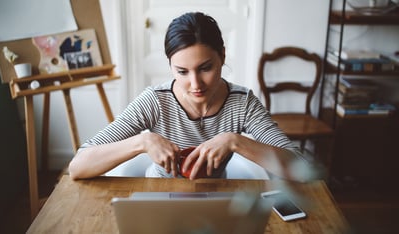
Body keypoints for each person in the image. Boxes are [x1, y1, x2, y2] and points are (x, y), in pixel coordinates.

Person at [69, 12, 315, 181]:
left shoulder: (243, 103)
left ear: (223, 57)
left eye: (205, 68)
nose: (195, 84)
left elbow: (302, 169)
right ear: (170, 65)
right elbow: (78, 167)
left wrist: (234, 141)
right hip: (159, 198)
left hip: (216, 199)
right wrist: (142, 142)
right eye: (182, 72)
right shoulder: (155, 101)